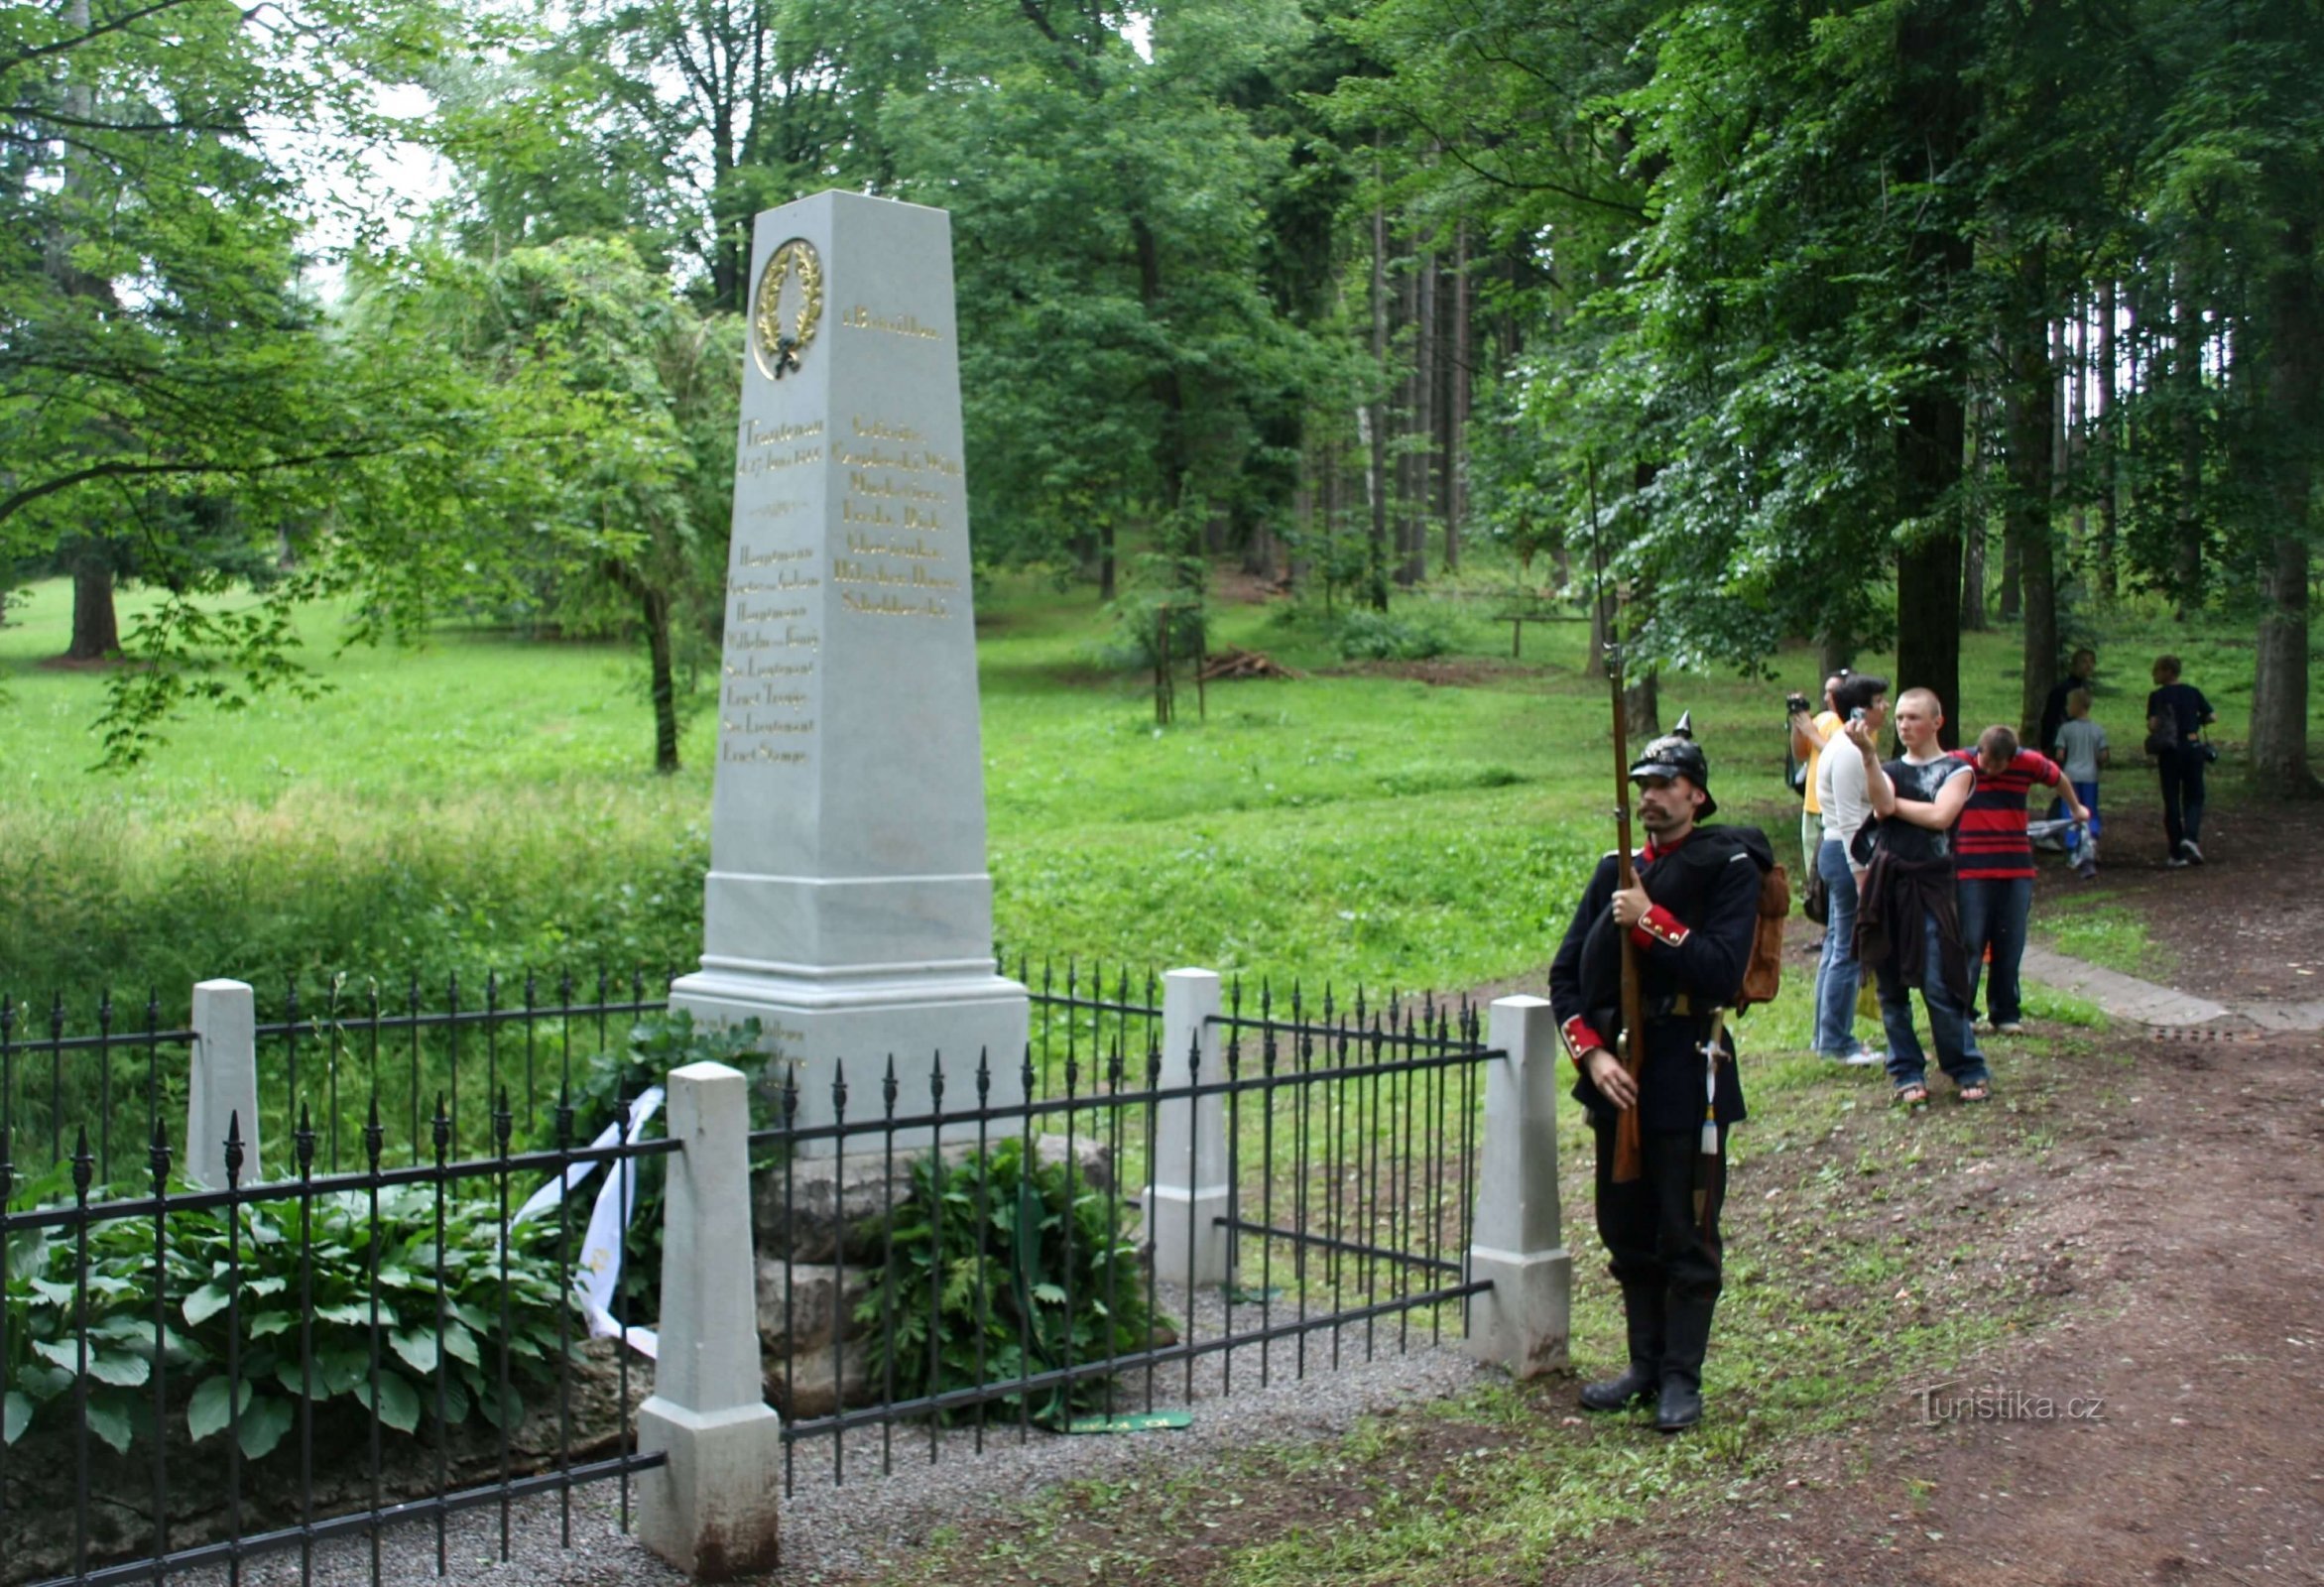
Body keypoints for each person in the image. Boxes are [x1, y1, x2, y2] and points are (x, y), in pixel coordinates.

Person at [1549, 729, 1772, 1432]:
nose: (1648, 796)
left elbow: (1719, 969)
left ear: (1695, 794)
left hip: (1686, 1068)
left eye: (1663, 784)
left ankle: (1681, 1378)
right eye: (1641, 784)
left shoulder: (1728, 864)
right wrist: (1592, 1056)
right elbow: (1563, 977)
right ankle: (1643, 1368)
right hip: (1617, 1074)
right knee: (1625, 1230)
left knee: (1686, 1230)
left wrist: (1650, 923)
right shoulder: (1613, 868)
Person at [1841, 688, 1988, 1106]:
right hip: (1888, 888)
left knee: (1939, 983)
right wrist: (1868, 757)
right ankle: (1906, 1070)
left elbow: (1941, 816)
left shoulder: (1957, 770)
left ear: (1936, 722)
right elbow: (1880, 801)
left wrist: (1893, 806)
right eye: (1900, 717)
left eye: (1914, 718)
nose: (1904, 725)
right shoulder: (1886, 766)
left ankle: (1965, 1065)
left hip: (1933, 888)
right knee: (1891, 988)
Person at [1949, 726, 2091, 1036]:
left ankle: (2005, 1013)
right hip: (1970, 870)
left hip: (2015, 868)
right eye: (1984, 761)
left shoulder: (2028, 763)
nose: (1988, 769)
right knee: (1970, 942)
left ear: (2011, 759)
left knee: (2009, 942)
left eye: (1997, 765)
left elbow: (2057, 777)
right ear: (1979, 751)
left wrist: (2077, 808)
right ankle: (1962, 1013)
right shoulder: (1959, 762)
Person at [1811, 672, 1889, 1064]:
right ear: (1861, 708)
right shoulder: (1847, 752)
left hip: (1843, 852)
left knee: (1836, 946)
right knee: (1847, 950)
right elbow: (1847, 817)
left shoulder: (1858, 746)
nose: (1885, 707)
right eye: (1879, 700)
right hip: (1845, 853)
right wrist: (1861, 873)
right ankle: (1836, 1042)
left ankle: (1824, 1035)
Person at [2146, 656, 2216, 867]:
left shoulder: (2157, 696)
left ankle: (2176, 852)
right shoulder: (2192, 692)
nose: (2153, 674)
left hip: (2170, 751)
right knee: (2195, 795)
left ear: (2167, 671)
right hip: (2193, 747)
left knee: (2171, 798)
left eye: (2156, 670)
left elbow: (2153, 724)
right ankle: (2191, 837)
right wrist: (2194, 721)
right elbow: (2212, 716)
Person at [1789, 673, 1846, 881]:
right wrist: (1798, 724)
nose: (1827, 697)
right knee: (1813, 877)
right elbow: (1801, 754)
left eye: (1833, 692)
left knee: (1832, 874)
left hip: (1834, 809)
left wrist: (1811, 733)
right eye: (1826, 691)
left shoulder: (1853, 724)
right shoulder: (1822, 719)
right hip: (1811, 805)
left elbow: (1841, 754)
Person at [2053, 688, 2108, 879]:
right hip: (2090, 775)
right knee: (2090, 809)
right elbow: (2103, 755)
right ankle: (2091, 841)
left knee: (2070, 811)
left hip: (2070, 776)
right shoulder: (2097, 730)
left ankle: (2073, 848)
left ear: (2075, 706)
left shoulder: (2065, 729)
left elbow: (2060, 753)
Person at [2037, 649, 2097, 777]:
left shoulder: (2084, 688)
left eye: (2091, 662)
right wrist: (2046, 744)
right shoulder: (2063, 689)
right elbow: (2050, 717)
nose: (2088, 665)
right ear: (2074, 665)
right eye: (2084, 662)